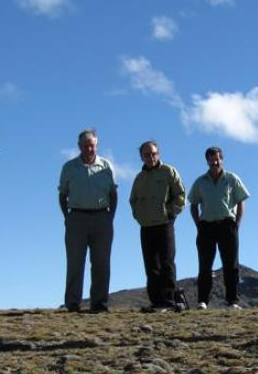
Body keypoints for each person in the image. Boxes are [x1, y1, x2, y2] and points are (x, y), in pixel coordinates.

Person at [59, 129, 117, 313]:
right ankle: (72, 303)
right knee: (75, 262)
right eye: (85, 145)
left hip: (102, 218)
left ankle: (99, 303)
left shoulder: (106, 166)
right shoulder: (69, 167)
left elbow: (113, 194)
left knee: (101, 263)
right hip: (76, 218)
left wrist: (110, 216)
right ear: (79, 146)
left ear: (96, 145)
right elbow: (62, 195)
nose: (89, 148)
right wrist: (67, 216)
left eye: (92, 145)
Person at [188, 146, 250, 309]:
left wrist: (236, 225)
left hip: (227, 225)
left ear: (222, 159)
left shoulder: (232, 179)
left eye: (217, 158)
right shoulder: (200, 182)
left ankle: (232, 301)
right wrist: (198, 224)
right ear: (207, 161)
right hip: (206, 227)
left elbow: (240, 202)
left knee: (231, 265)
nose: (215, 162)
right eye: (211, 159)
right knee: (205, 265)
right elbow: (193, 204)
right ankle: (202, 301)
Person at [129, 140, 186, 311]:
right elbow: (133, 200)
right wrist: (139, 216)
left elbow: (181, 195)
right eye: (147, 154)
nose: (151, 157)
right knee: (151, 265)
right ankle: (156, 302)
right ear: (141, 156)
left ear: (158, 154)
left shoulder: (169, 171)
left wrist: (170, 213)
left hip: (164, 224)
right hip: (146, 226)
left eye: (153, 153)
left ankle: (168, 301)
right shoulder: (139, 178)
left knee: (167, 263)